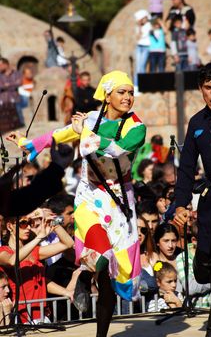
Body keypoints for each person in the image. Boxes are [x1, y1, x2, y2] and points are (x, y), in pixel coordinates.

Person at [7, 70, 146, 337]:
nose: (128, 97)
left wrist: (85, 133)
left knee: (113, 279)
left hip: (120, 202)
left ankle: (100, 332)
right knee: (101, 256)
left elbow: (115, 149)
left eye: (130, 92)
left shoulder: (136, 127)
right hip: (89, 197)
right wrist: (30, 143)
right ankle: (83, 273)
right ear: (107, 95)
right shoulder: (90, 119)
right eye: (122, 92)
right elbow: (59, 135)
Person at [174, 61, 211, 337]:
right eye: (208, 87)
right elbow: (186, 169)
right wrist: (179, 205)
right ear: (200, 89)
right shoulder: (196, 123)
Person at [0, 213, 74, 323]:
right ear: (10, 226)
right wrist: (39, 237)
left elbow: (68, 244)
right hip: (19, 316)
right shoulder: (3, 251)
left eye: (30, 223)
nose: (29, 227)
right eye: (23, 223)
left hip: (42, 313)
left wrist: (55, 224)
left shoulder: (35, 251)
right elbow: (12, 261)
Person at [176, 221, 211, 308]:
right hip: (195, 313)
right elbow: (190, 287)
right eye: (206, 240)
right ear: (194, 241)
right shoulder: (183, 258)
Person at [0, 57, 22, 132]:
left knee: (19, 119)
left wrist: (7, 85)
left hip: (15, 98)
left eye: (1, 65)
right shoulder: (0, 76)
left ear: (6, 64)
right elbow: (1, 86)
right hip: (3, 100)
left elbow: (19, 83)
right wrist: (12, 85)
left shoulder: (16, 73)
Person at [134, 9, 152, 93]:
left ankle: (143, 86)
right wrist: (139, 26)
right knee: (138, 67)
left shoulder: (149, 25)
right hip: (139, 46)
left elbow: (147, 35)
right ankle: (136, 85)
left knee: (142, 66)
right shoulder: (138, 27)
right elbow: (138, 37)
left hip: (146, 47)